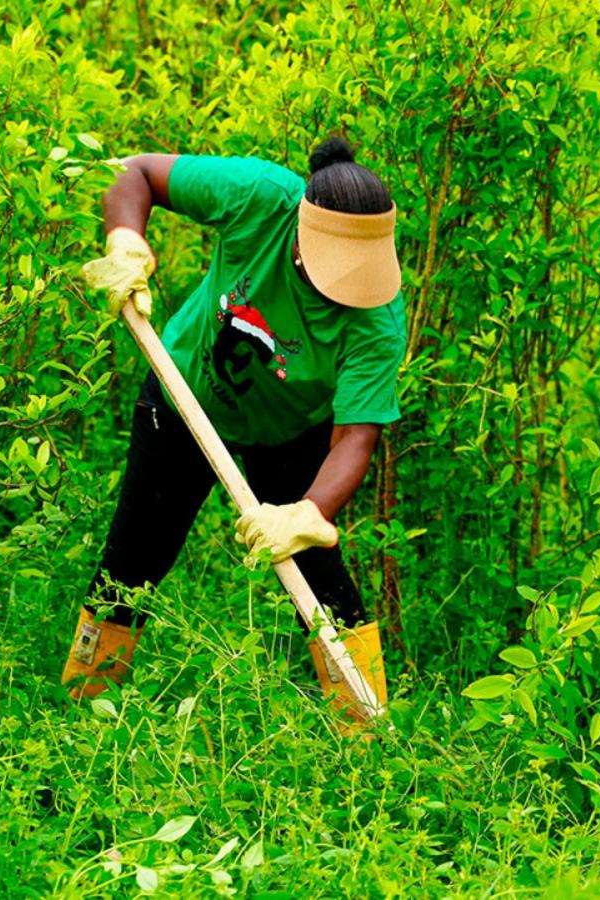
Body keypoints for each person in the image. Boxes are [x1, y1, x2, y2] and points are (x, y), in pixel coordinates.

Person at [63, 138, 402, 732]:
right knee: (133, 560)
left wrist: (309, 513)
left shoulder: (378, 319)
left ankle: (365, 732)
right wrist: (126, 240)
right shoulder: (260, 198)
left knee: (319, 576)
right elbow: (134, 173)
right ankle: (82, 713)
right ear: (301, 236)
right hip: (185, 397)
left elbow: (356, 435)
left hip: (291, 433)